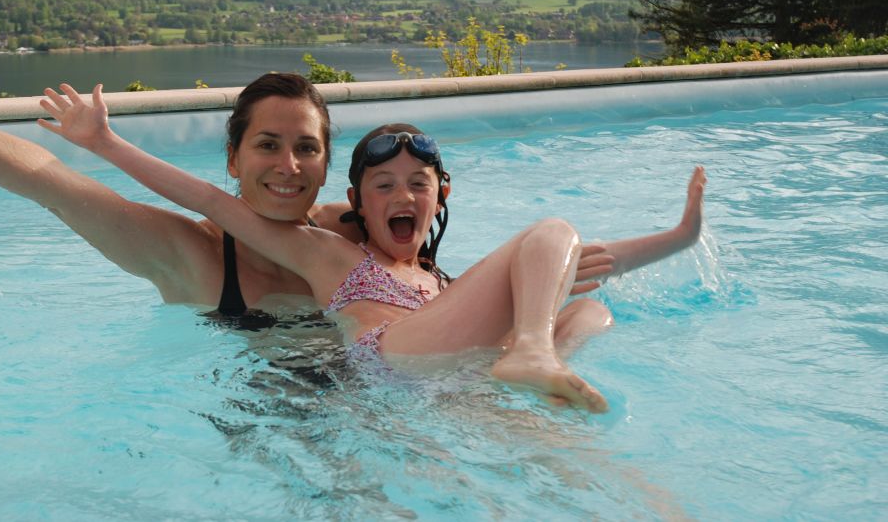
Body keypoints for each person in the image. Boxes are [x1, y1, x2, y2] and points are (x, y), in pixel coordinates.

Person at [0, 25, 706, 331]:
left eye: (306, 147)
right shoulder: (195, 258)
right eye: (266, 146)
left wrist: (663, 242)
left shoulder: (358, 232)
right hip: (268, 433)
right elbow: (48, 179)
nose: (287, 165)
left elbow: (514, 277)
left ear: (331, 166)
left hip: (410, 407)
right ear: (231, 160)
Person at [37, 81, 695, 412]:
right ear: (358, 201)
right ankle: (531, 352)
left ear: (442, 194)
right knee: (551, 231)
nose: (402, 195)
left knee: (587, 307)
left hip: (451, 374)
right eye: (384, 186)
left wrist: (681, 236)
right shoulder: (328, 252)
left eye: (418, 184)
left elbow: (589, 260)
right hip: (390, 360)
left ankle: (535, 362)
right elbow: (210, 200)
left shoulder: (443, 283)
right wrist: (105, 144)